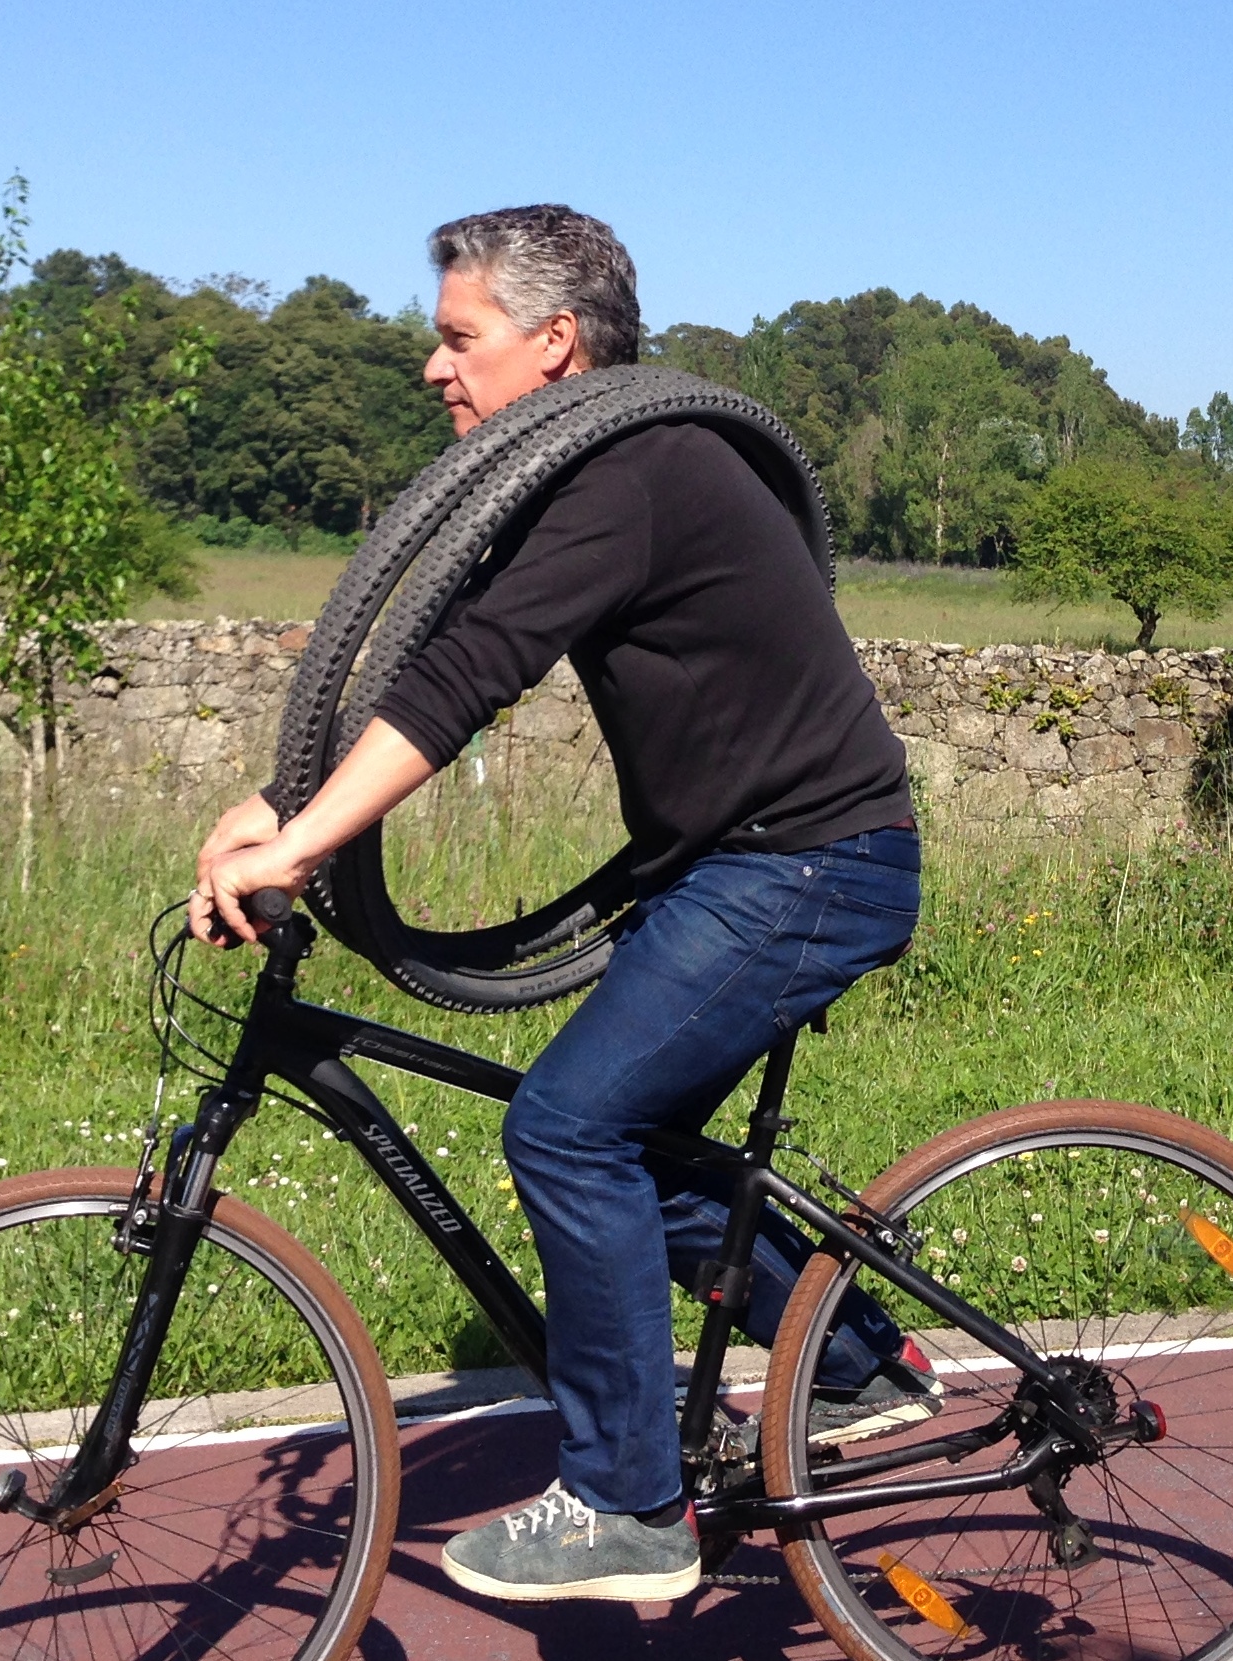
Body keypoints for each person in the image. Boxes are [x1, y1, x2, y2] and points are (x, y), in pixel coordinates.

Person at [189, 204, 932, 1606]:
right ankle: (854, 1364)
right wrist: (281, 805)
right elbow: (421, 651)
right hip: (744, 863)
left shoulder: (639, 469)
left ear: (555, 342)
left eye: (457, 335)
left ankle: (626, 1501)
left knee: (568, 1127)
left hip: (807, 865)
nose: (432, 365)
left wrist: (301, 847)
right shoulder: (577, 476)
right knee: (626, 1140)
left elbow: (467, 680)